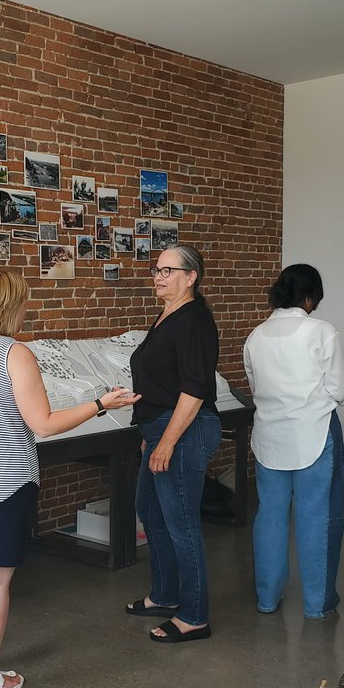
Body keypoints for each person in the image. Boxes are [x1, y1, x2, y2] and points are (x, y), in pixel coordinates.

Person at [0, 269, 137, 688]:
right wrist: (99, 404)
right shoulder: (15, 354)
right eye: (23, 303)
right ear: (10, 306)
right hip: (2, 485)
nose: (25, 310)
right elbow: (44, 425)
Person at [124, 245, 221, 644]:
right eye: (156, 269)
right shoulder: (167, 314)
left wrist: (165, 442)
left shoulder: (194, 320)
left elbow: (195, 389)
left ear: (191, 276)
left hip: (184, 429)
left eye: (169, 270)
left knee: (181, 524)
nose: (159, 276)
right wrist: (152, 437)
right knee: (148, 509)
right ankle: (165, 594)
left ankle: (194, 616)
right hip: (159, 428)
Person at [244, 264, 344, 618]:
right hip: (315, 434)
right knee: (317, 517)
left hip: (268, 436)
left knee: (270, 518)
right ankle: (317, 605)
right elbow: (340, 388)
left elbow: (255, 386)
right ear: (309, 297)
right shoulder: (321, 332)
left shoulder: (256, 335)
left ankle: (266, 599)